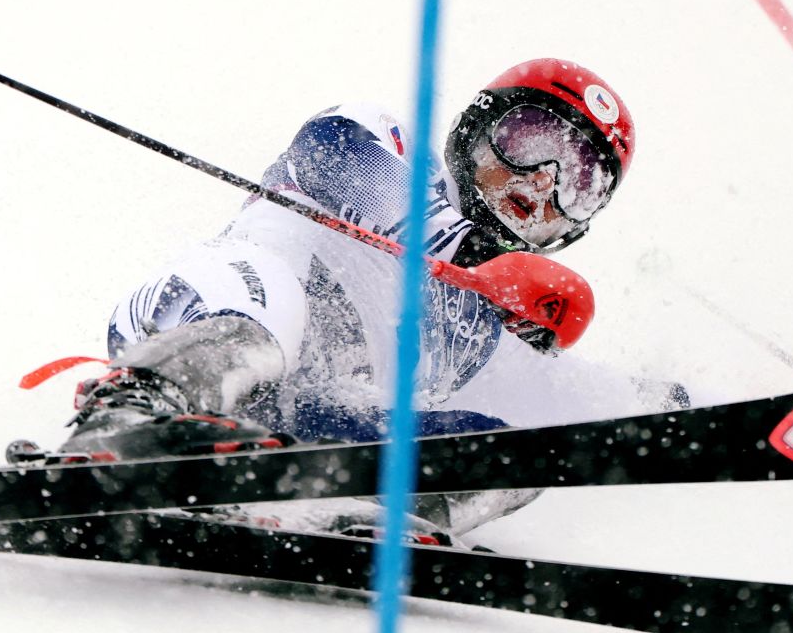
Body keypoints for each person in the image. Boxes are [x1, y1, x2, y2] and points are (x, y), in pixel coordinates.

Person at [40, 58, 661, 544]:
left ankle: (365, 510)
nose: (543, 180)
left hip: (302, 423)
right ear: (477, 130)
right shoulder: (393, 147)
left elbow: (595, 399)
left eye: (581, 182)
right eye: (528, 141)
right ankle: (128, 422)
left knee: (518, 453)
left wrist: (691, 409)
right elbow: (335, 153)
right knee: (267, 298)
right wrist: (473, 258)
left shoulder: (489, 329)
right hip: (206, 322)